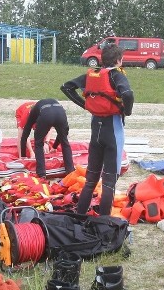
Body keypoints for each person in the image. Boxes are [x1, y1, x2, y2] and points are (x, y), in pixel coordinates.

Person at [61, 43, 134, 216]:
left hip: (96, 132)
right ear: (119, 60)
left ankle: (79, 216)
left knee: (91, 180)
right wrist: (127, 111)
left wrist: (86, 105)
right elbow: (128, 94)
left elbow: (66, 87)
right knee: (109, 182)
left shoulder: (92, 75)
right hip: (112, 130)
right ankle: (104, 222)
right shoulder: (116, 75)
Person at [18, 98, 75, 179]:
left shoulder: (33, 111)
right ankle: (70, 171)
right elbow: (62, 134)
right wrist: (54, 147)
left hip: (46, 115)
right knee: (65, 142)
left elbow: (25, 133)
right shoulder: (44, 105)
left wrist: (23, 156)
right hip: (60, 113)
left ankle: (41, 174)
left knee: (38, 143)